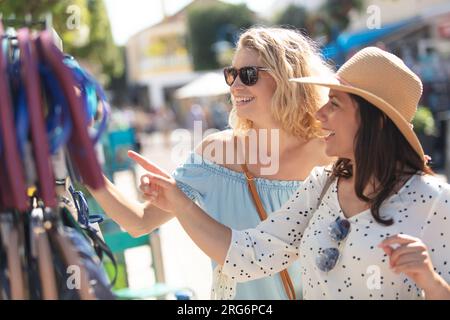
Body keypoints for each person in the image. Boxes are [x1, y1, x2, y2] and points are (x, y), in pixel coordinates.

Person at [138, 47, 450, 300]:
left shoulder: (435, 201)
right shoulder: (322, 186)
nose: (320, 113)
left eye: (336, 105)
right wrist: (179, 202)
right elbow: (250, 256)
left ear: (375, 121)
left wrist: (432, 284)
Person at [88, 27, 334, 299]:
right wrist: (87, 171)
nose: (236, 86)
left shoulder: (329, 153)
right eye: (232, 74)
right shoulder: (216, 153)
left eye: (249, 75)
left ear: (286, 79)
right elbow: (139, 222)